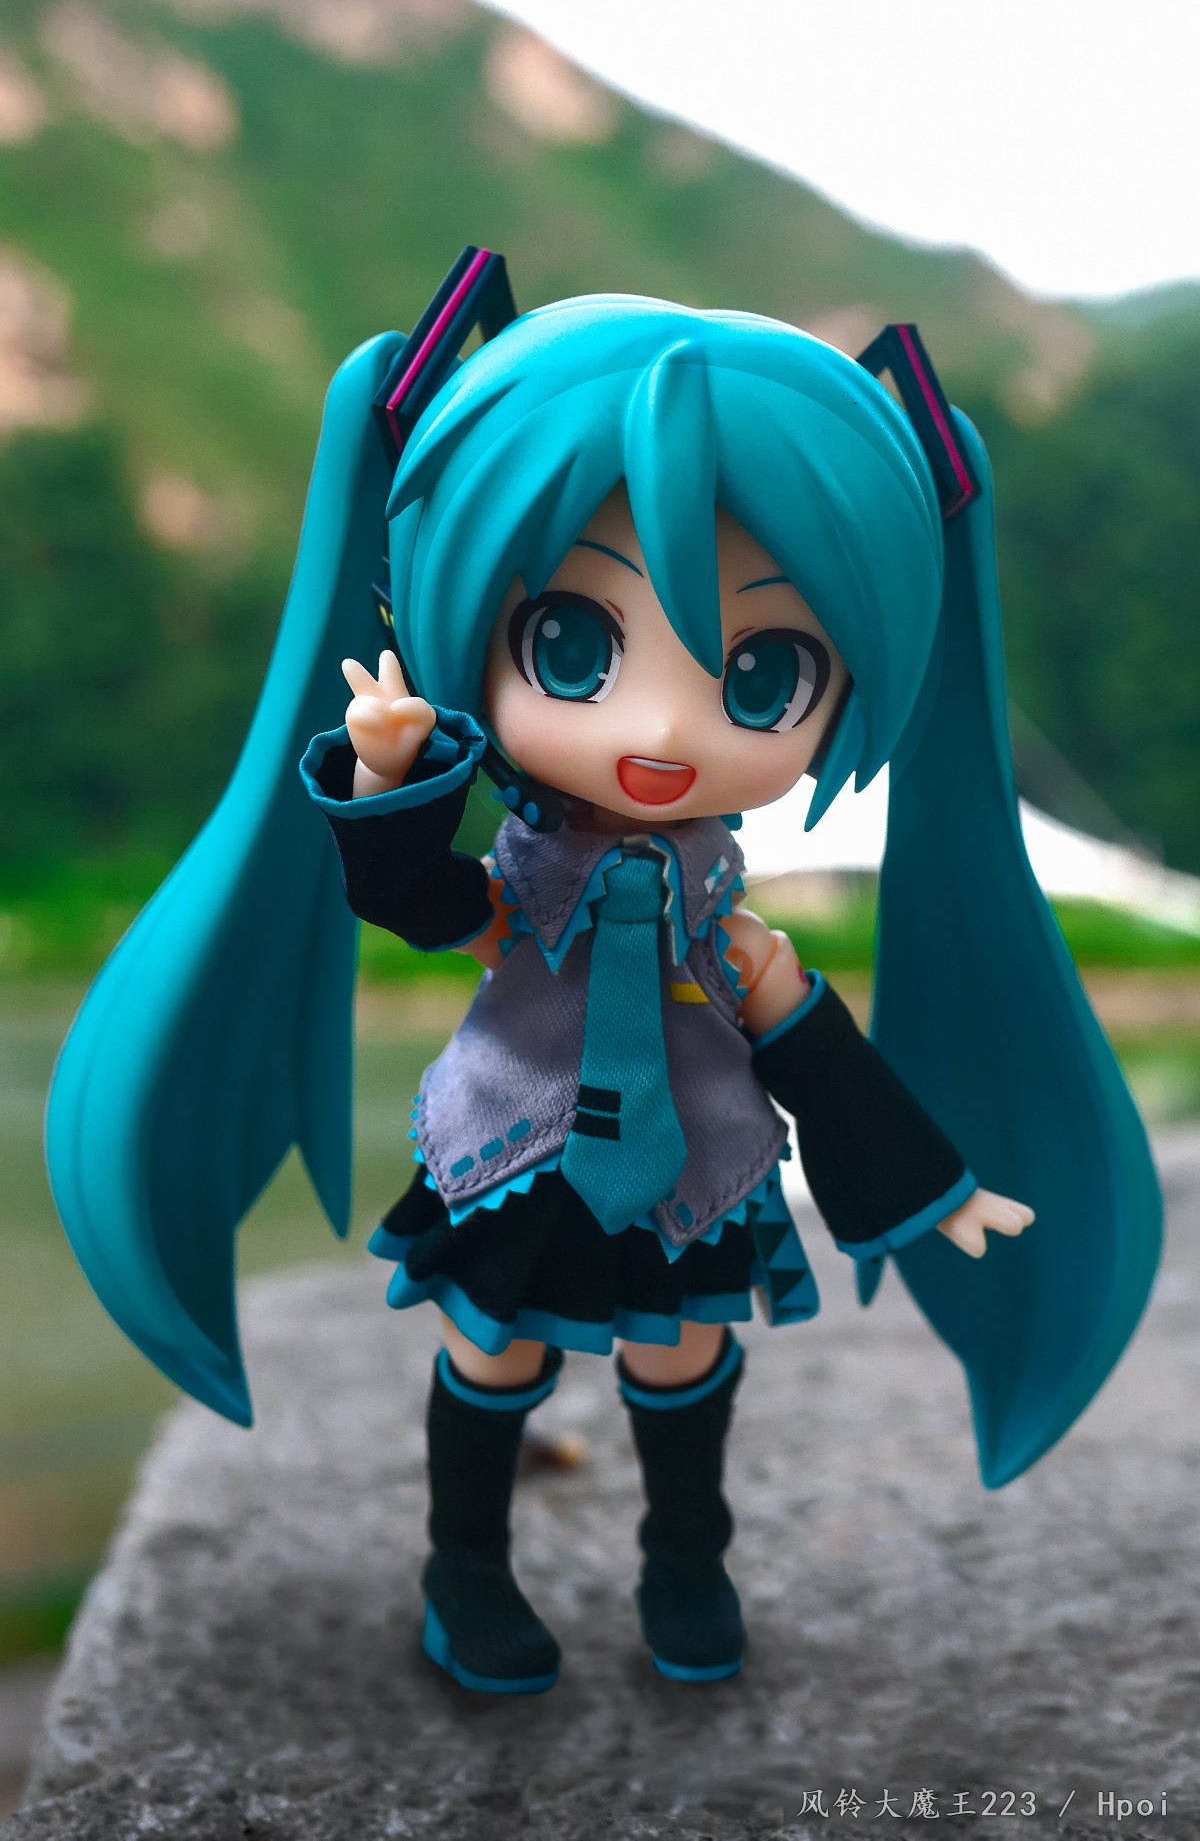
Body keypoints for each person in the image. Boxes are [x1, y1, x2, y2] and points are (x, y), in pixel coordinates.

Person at [47, 282, 1162, 1698]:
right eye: (572, 644)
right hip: (512, 1160)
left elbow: (815, 1050)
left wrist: (933, 1184)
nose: (663, 728)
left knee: (682, 1360)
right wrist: (388, 787)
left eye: (763, 674)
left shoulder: (725, 925)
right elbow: (423, 903)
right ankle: (466, 1571)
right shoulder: (528, 887)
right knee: (493, 1355)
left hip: (693, 1174)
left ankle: (686, 1565)